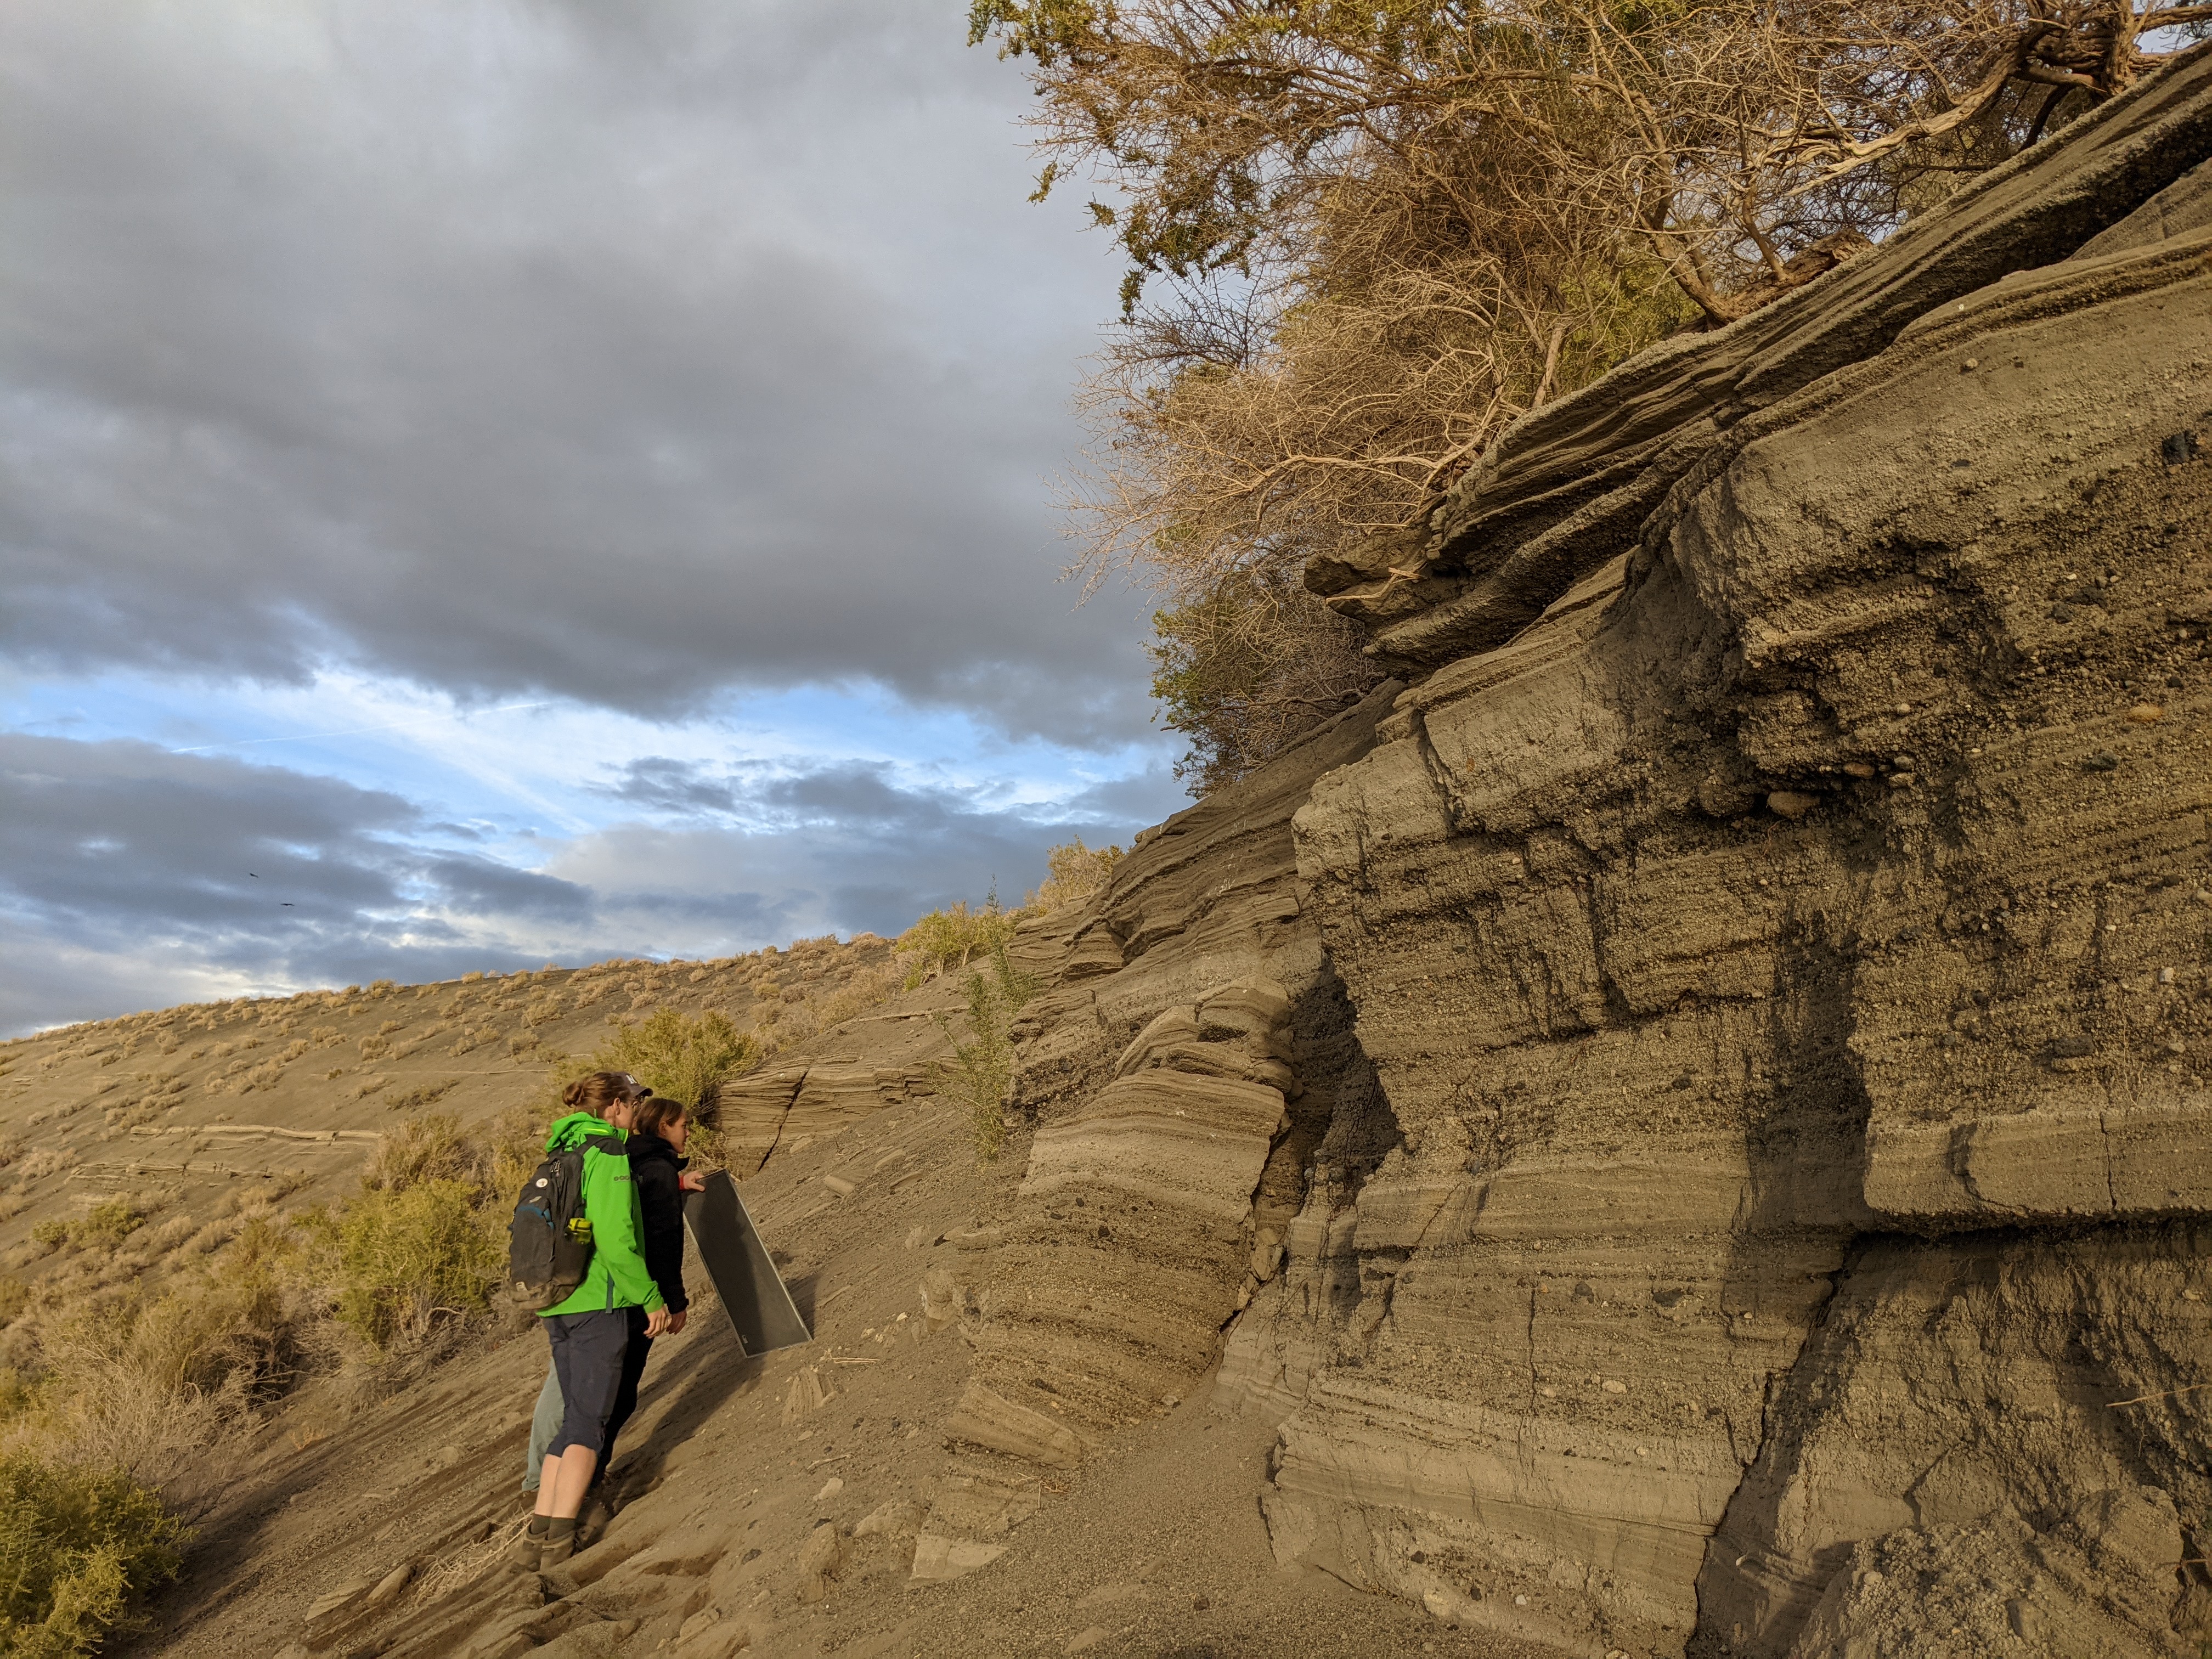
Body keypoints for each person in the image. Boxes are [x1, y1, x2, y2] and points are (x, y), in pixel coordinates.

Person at [518, 1090, 705, 1538]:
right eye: (683, 1125)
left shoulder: (574, 1151)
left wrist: (674, 1185)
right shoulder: (611, 1155)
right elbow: (630, 1238)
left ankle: (539, 1529)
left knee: (574, 1411)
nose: (687, 1133)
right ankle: (570, 1522)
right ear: (616, 1107)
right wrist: (660, 1299)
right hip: (604, 1300)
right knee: (593, 1416)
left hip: (562, 1298)